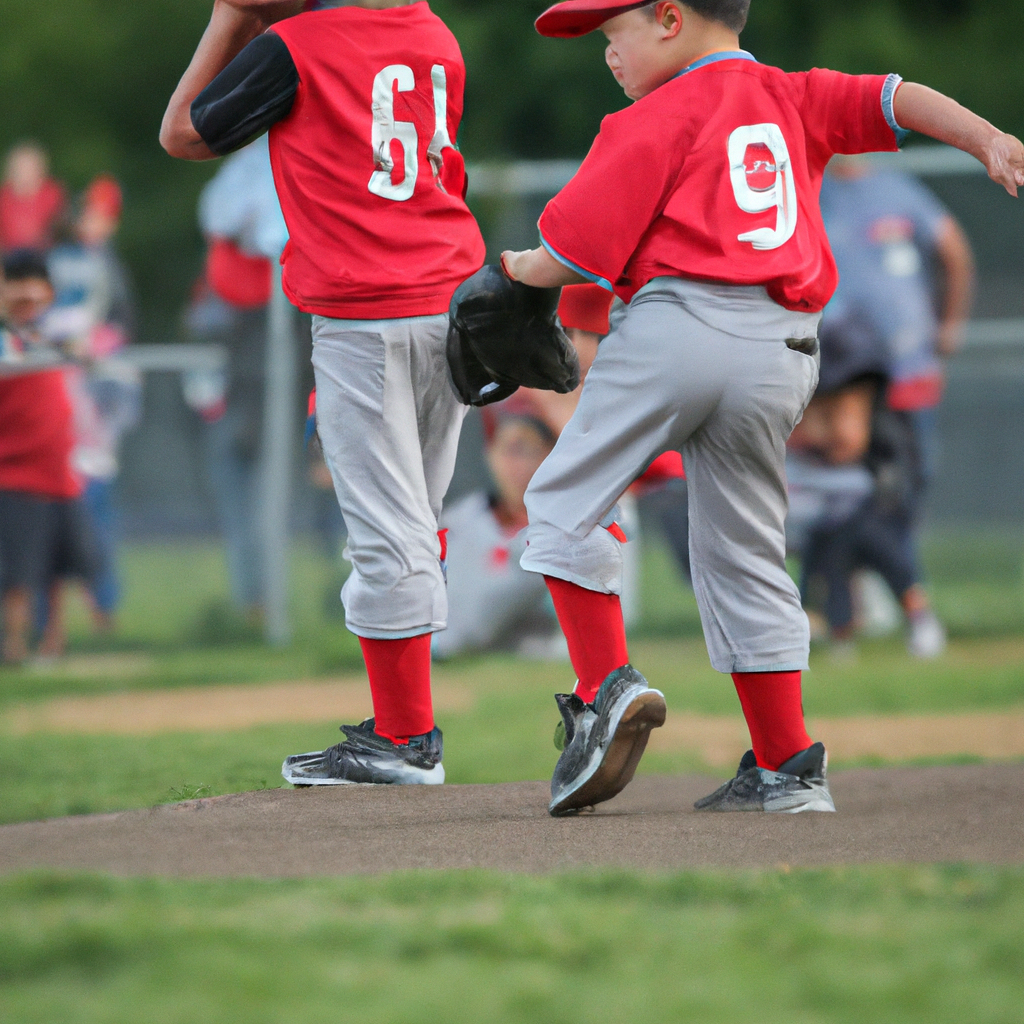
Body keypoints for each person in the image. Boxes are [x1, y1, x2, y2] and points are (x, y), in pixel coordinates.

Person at [501, 0, 1024, 816]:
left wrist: (513, 268)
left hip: (677, 328)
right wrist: (986, 138)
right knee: (744, 549)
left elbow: (571, 255)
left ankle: (606, 688)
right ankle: (788, 769)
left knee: (562, 501)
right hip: (782, 352)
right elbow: (899, 97)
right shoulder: (796, 93)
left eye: (615, 34)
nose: (609, 56)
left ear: (670, 19)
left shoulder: (656, 112)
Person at [161, 0, 485, 785]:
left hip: (364, 315)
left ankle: (407, 741)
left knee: (385, 531)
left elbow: (181, 133)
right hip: (450, 306)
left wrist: (231, 17)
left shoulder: (294, 44)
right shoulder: (433, 31)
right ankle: (404, 727)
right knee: (414, 516)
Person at [47, 176, 141, 630]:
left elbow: (120, 326)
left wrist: (96, 343)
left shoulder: (109, 266)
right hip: (65, 400)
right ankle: (49, 621)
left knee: (94, 509)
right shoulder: (60, 261)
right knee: (56, 513)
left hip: (98, 408)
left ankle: (103, 607)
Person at [0, 251, 92, 664]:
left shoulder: (51, 335)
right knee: (18, 571)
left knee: (58, 568)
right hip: (16, 473)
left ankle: (53, 644)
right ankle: (14, 647)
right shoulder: (9, 339)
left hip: (59, 472)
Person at [432, 399, 564, 660]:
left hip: (542, 658)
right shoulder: (463, 520)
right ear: (489, 455)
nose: (517, 465)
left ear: (551, 454)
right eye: (508, 450)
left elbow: (476, 628)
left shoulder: (566, 527)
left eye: (528, 450)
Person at [0, 143, 66, 254]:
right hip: (9, 255)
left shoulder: (52, 194)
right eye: (20, 168)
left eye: (29, 167)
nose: (25, 173)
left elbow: (59, 227)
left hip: (46, 253)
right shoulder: (4, 197)